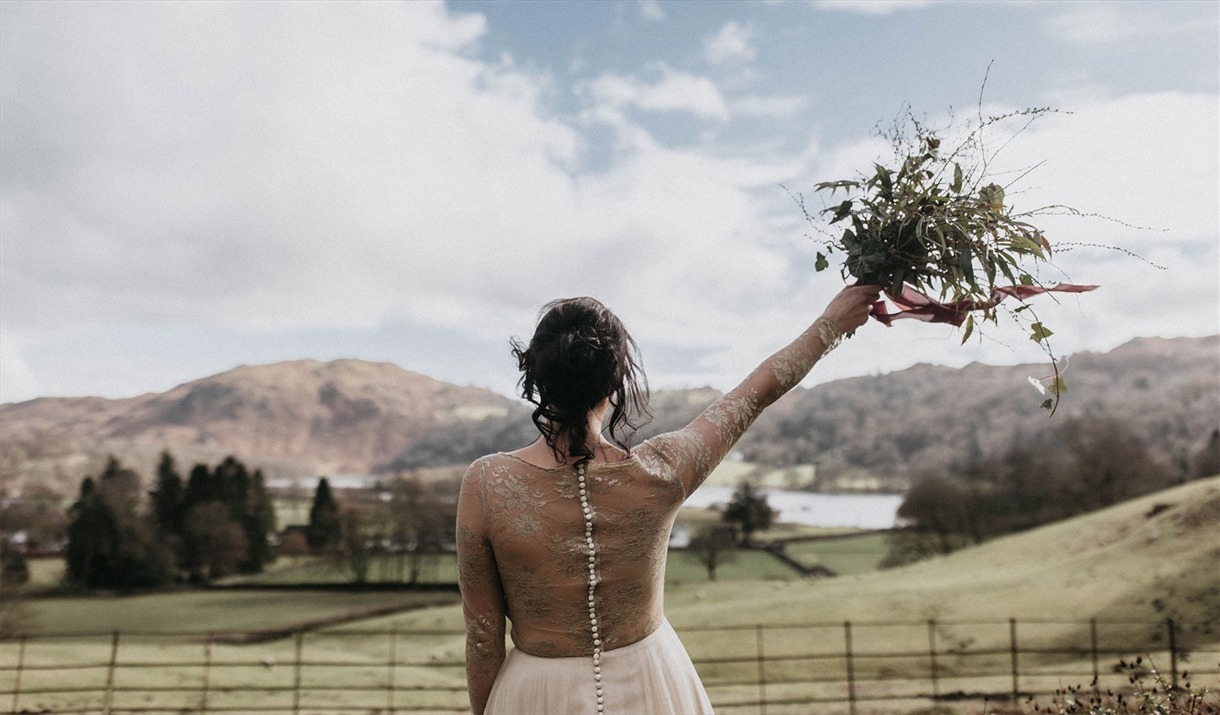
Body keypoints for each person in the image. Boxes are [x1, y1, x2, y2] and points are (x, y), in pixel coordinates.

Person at [457, 284, 882, 715]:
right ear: (615, 379)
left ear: (539, 375)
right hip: (653, 682)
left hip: (534, 694)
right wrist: (831, 324)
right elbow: (756, 393)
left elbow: (482, 637)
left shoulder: (486, 484)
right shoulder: (664, 470)